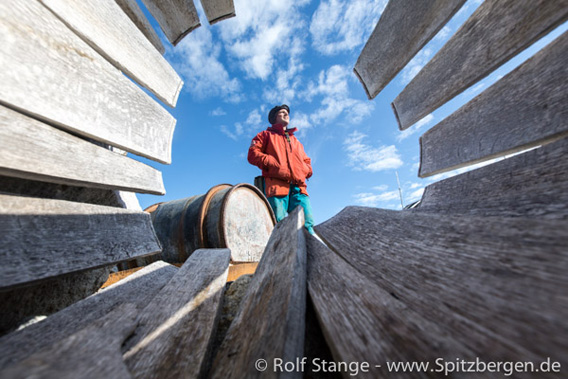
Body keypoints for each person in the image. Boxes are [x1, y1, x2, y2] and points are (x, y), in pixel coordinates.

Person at [248, 104, 315, 234]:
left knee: (307, 225)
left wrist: (304, 170)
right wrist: (273, 163)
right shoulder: (265, 135)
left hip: (299, 188)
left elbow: (307, 161)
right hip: (276, 187)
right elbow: (252, 154)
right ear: (274, 118)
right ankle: (279, 254)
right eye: (282, 112)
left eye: (287, 113)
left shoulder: (295, 141)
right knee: (277, 226)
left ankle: (313, 254)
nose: (286, 114)